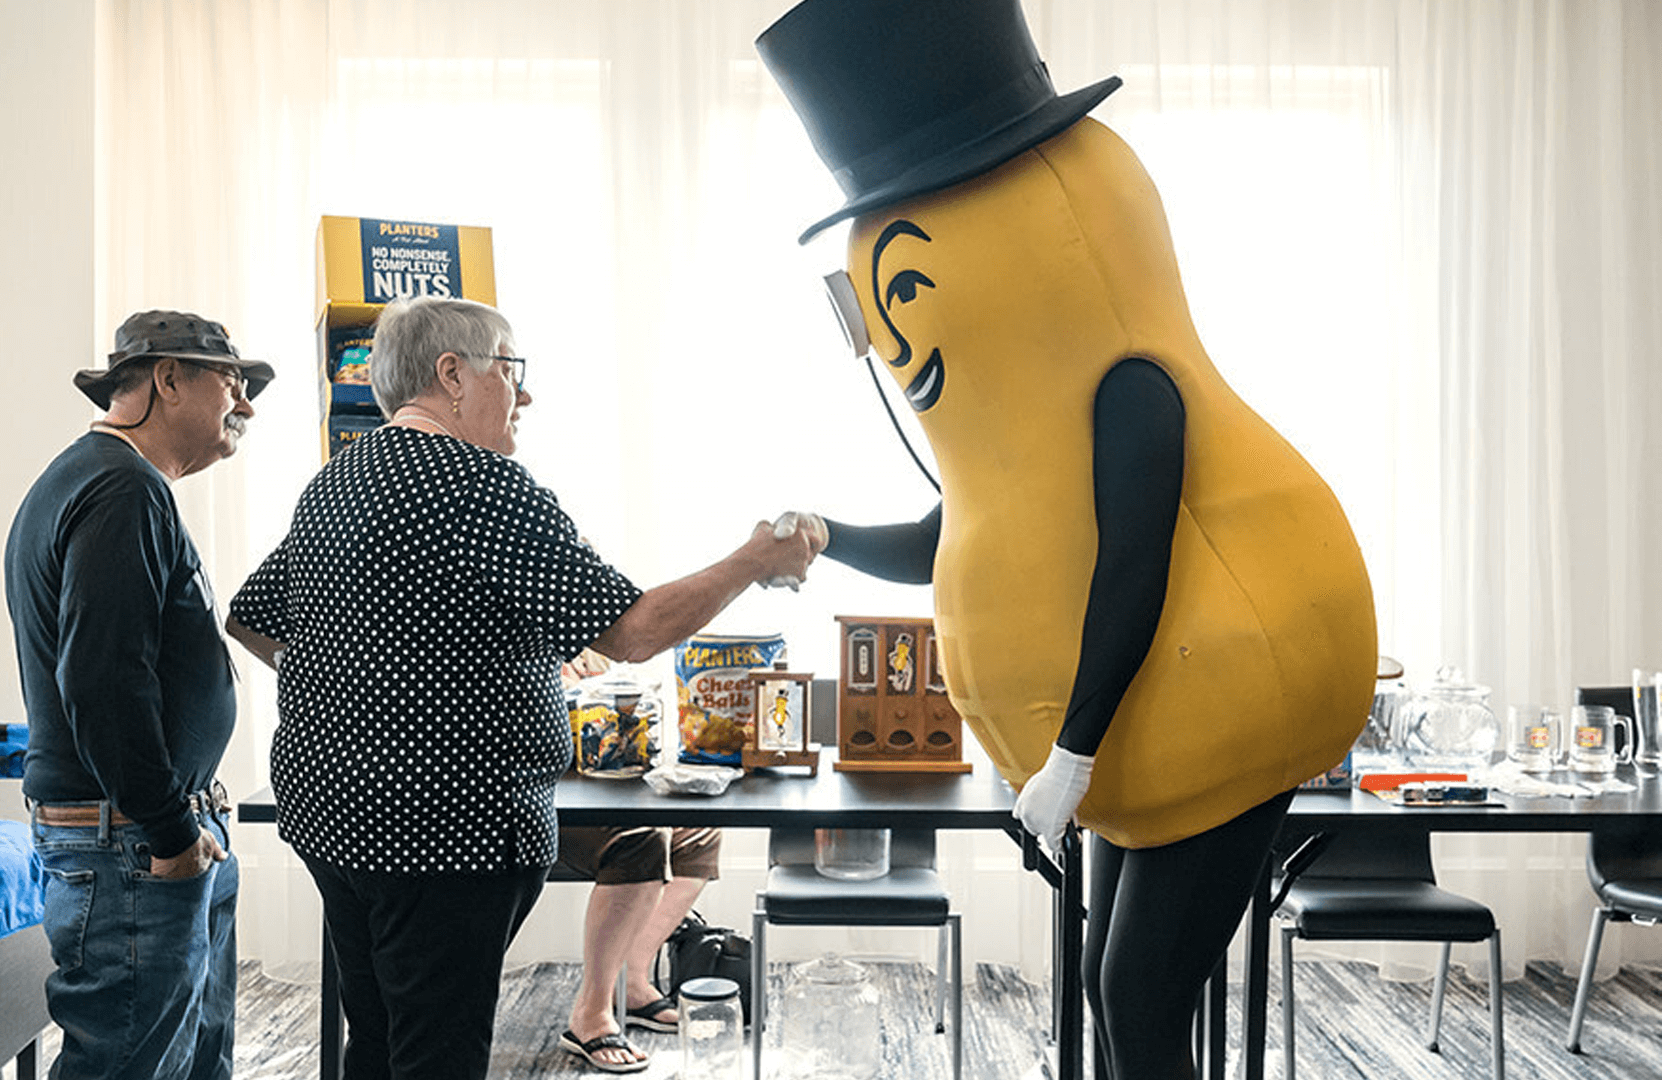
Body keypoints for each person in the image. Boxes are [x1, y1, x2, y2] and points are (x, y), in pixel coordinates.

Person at [757, 1, 1377, 1077]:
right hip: (1147, 742)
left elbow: (1136, 564)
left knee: (1138, 991)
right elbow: (942, 540)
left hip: (1230, 712)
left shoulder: (1135, 389)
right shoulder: (1024, 439)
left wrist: (1071, 755)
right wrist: (824, 535)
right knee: (1114, 984)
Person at [225, 294, 815, 1080]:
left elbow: (252, 618)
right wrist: (751, 562)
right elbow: (631, 632)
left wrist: (362, 692)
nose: (524, 393)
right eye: (511, 369)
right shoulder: (483, 487)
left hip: (333, 813)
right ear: (452, 375)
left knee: (378, 1037)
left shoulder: (337, 480)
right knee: (437, 1050)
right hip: (444, 831)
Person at [6, 309, 274, 1080]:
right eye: (232, 382)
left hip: (146, 832)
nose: (247, 406)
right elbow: (101, 683)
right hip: (133, 842)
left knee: (186, 1061)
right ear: (167, 379)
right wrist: (168, 832)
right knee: (128, 1064)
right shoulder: (120, 490)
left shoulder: (106, 482)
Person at [556, 825, 722, 1073]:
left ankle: (630, 983)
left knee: (699, 834)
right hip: (533, 806)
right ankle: (590, 1013)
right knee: (643, 842)